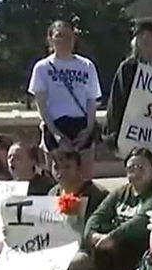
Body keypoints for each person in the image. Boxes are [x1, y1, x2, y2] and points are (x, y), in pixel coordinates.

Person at [82, 148, 152, 270]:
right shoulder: (120, 192)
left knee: (123, 241)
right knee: (101, 240)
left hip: (140, 245)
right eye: (131, 168)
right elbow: (97, 216)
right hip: (113, 245)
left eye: (141, 168)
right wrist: (93, 234)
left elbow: (142, 220)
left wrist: (113, 237)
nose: (135, 172)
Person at [28, 20, 101, 179]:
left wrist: (88, 129)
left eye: (68, 36)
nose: (64, 40)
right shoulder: (42, 67)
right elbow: (41, 104)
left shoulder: (86, 66)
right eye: (59, 36)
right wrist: (56, 134)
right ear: (51, 39)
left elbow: (91, 100)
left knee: (84, 178)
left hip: (81, 125)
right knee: (57, 178)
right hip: (55, 126)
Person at [104, 19, 152, 150]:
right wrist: (114, 134)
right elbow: (117, 102)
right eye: (141, 35)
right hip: (134, 135)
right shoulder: (128, 68)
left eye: (151, 35)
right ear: (135, 41)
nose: (146, 39)